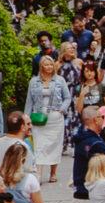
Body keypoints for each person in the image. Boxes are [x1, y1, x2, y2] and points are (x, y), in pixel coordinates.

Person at [25, 55, 71, 183]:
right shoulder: (34, 82)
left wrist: (62, 109)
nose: (49, 67)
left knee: (54, 146)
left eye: (51, 64)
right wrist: (26, 119)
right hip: (39, 117)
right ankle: (39, 172)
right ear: (41, 66)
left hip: (55, 117)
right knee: (39, 146)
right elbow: (29, 102)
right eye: (46, 64)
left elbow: (67, 97)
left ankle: (53, 172)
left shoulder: (59, 80)